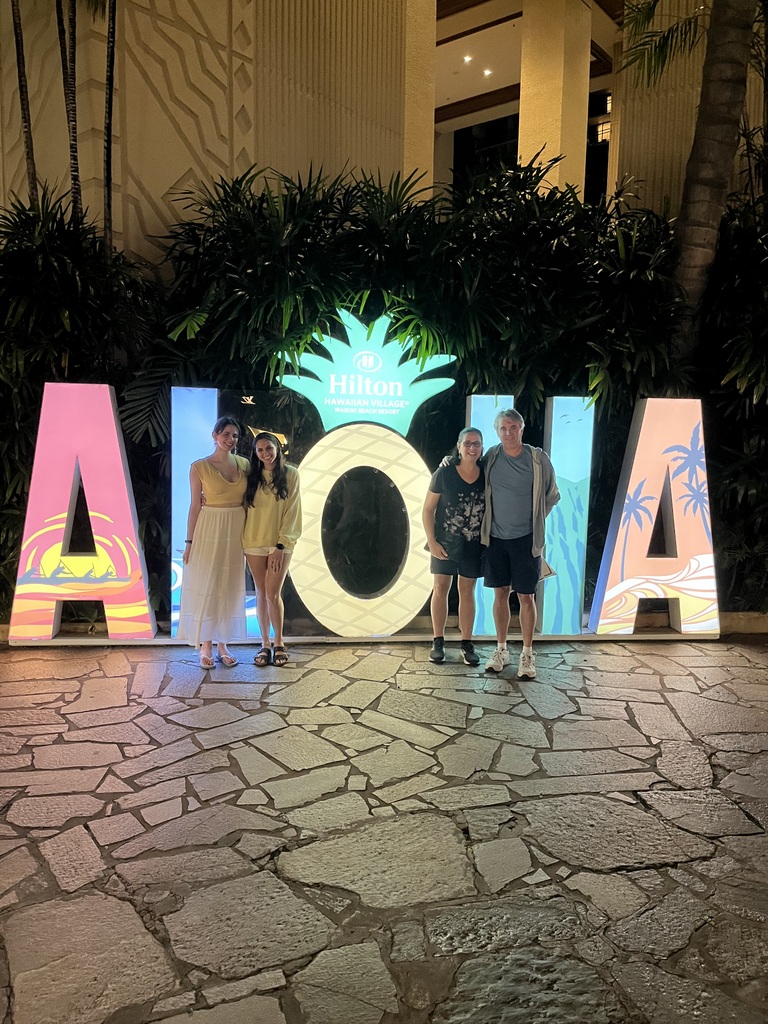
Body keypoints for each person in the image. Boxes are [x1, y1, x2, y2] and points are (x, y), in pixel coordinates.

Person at [481, 409, 559, 678]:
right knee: (500, 594)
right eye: (503, 428)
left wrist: (535, 521)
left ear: (522, 430)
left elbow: (552, 495)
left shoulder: (537, 459)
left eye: (513, 427)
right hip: (495, 539)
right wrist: (448, 460)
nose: (508, 433)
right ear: (497, 431)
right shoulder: (491, 456)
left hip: (527, 540)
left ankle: (527, 654)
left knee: (527, 596)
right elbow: (466, 468)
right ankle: (501, 650)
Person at [177, 416, 249, 669]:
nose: (231, 439)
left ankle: (223, 644)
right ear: (215, 436)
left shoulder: (245, 465)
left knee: (228, 585)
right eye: (226, 434)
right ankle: (206, 644)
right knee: (209, 583)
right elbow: (194, 506)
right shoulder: (199, 467)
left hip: (236, 528)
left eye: (235, 435)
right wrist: (189, 542)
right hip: (209, 527)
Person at [422, 428, 485, 666]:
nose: (472, 448)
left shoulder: (487, 473)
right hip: (444, 542)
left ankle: (466, 643)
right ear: (458, 446)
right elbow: (428, 509)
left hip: (473, 544)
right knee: (440, 587)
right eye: (467, 443)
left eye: (476, 444)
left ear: (481, 447)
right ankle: (438, 641)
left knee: (467, 590)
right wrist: (432, 541)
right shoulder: (444, 473)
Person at [243, 431, 302, 667]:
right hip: (253, 541)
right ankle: (265, 643)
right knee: (260, 592)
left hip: (280, 544)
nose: (265, 453)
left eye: (269, 448)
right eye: (260, 450)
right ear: (255, 453)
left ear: (277, 448)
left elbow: (292, 511)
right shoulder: (250, 476)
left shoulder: (291, 474)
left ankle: (279, 642)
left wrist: (281, 545)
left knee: (272, 594)